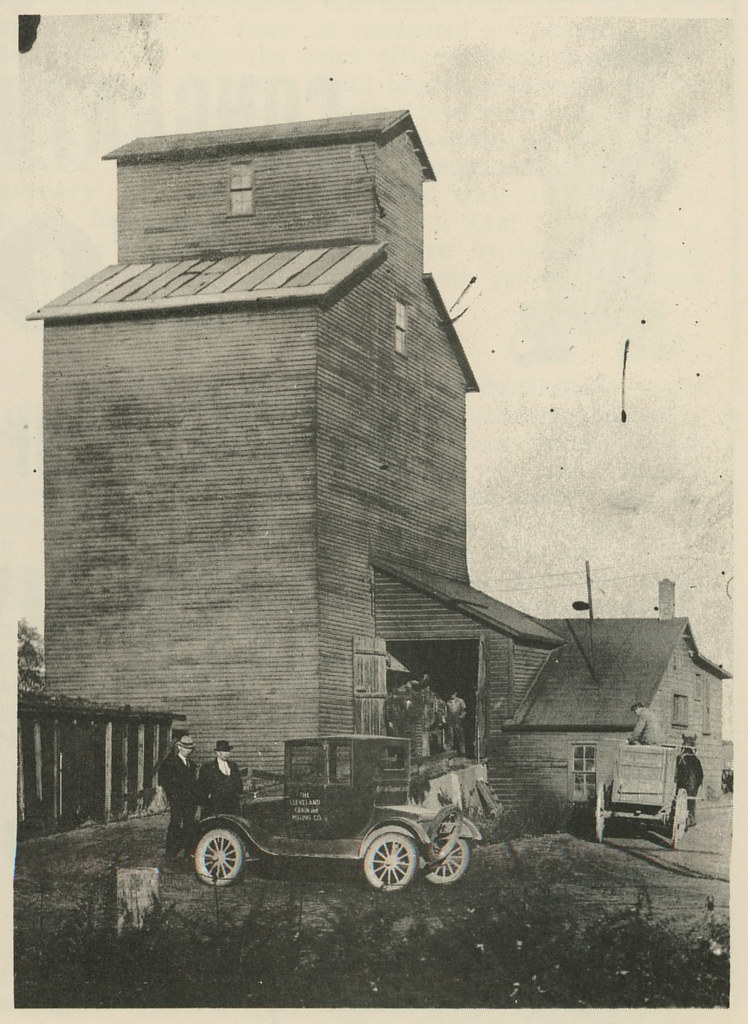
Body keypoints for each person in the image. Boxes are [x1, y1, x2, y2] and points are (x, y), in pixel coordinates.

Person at [158, 733, 201, 863]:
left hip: (190, 801)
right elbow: (166, 782)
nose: (188, 751)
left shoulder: (191, 765)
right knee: (175, 824)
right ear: (179, 747)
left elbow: (194, 784)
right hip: (177, 800)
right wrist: (173, 796)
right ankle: (171, 852)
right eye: (185, 748)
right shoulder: (170, 763)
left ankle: (188, 852)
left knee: (189, 825)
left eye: (190, 749)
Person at [199, 739, 244, 816]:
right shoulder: (208, 767)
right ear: (217, 753)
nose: (226, 754)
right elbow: (202, 786)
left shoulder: (233, 766)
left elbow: (239, 784)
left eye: (227, 751)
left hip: (232, 804)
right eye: (223, 751)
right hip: (216, 805)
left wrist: (237, 793)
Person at [446, 692, 467, 756]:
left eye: (453, 693)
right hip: (451, 721)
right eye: (451, 694)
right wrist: (446, 719)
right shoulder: (448, 702)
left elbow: (464, 711)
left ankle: (463, 751)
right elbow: (446, 712)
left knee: (460, 735)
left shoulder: (460, 701)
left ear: (456, 694)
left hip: (458, 721)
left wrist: (461, 717)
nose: (451, 695)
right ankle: (451, 752)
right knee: (451, 735)